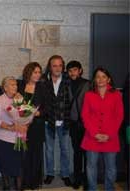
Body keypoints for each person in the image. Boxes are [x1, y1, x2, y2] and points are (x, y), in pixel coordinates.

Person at [81, 67, 124, 191]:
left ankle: (109, 188)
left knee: (111, 167)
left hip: (110, 137)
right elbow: (85, 116)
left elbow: (119, 116)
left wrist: (109, 134)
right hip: (92, 136)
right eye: (98, 76)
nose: (100, 79)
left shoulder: (116, 95)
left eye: (103, 76)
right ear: (94, 79)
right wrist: (95, 133)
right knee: (91, 167)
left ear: (108, 79)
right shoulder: (89, 95)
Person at [0, 76, 28, 191]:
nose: (15, 86)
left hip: (19, 139)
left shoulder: (20, 98)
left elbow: (27, 116)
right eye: (12, 84)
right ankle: (6, 186)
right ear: (5, 88)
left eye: (16, 84)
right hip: (3, 139)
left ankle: (19, 188)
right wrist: (9, 127)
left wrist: (22, 103)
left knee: (19, 166)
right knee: (5, 166)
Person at [42, 55, 72, 186]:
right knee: (49, 150)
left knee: (65, 149)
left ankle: (65, 174)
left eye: (60, 65)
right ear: (50, 67)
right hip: (49, 121)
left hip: (64, 121)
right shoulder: (43, 80)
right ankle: (50, 173)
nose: (57, 68)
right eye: (54, 65)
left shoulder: (68, 79)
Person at [17, 62, 45, 190]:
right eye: (35, 72)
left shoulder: (43, 87)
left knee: (35, 154)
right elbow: (17, 105)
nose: (38, 75)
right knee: (23, 154)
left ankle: (34, 182)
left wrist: (37, 112)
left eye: (39, 72)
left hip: (37, 126)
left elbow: (48, 107)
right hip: (21, 126)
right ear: (28, 72)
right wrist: (28, 112)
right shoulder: (19, 85)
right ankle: (23, 181)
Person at [66, 60, 90, 189]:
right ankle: (77, 179)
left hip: (86, 125)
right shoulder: (67, 85)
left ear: (80, 70)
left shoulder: (88, 84)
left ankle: (87, 180)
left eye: (75, 70)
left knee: (87, 154)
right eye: (70, 71)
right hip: (74, 124)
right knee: (77, 153)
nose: (72, 73)